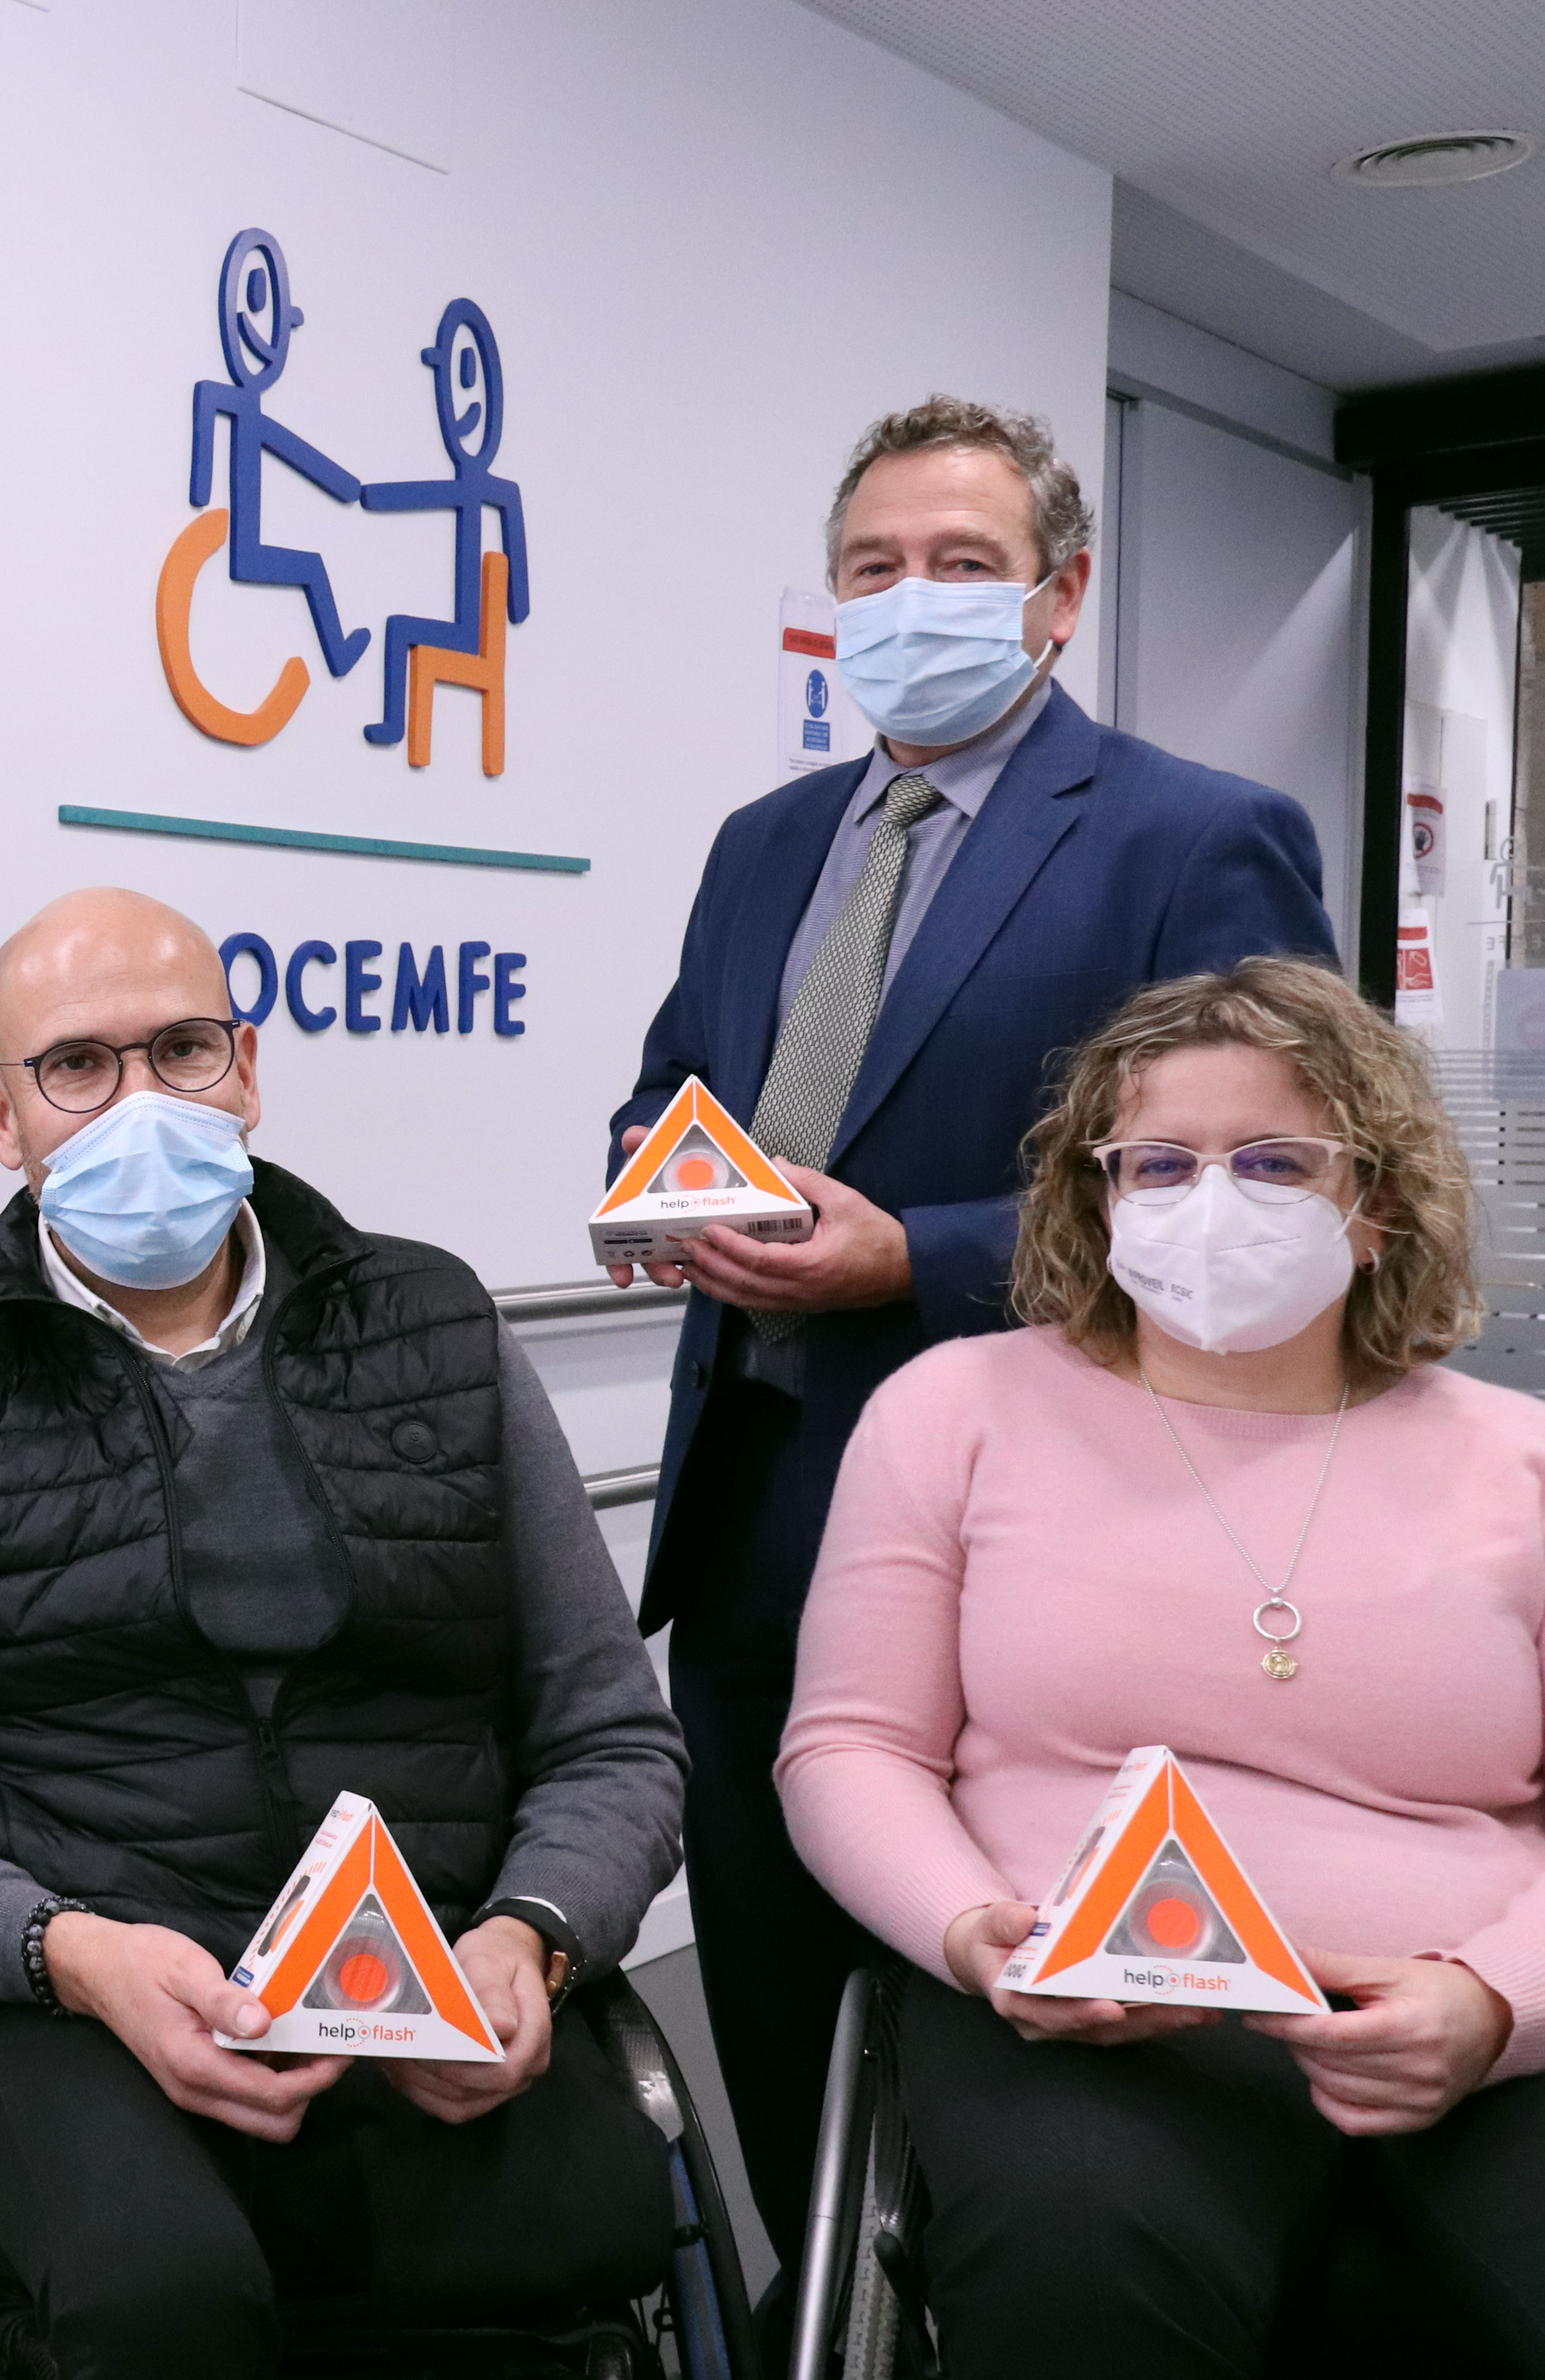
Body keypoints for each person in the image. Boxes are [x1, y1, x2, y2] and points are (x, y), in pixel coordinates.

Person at [0, 888, 687, 2379]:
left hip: (423, 1973)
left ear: (246, 1067)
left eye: (181, 1049)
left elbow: (612, 1735)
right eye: (77, 1065)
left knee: (580, 2233)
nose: (140, 1101)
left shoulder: (438, 1322)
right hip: (77, 1994)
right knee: (156, 2292)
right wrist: (67, 1951)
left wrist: (534, 1934)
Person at [607, 395, 1334, 2262]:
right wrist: (652, 1186)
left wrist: (918, 1259)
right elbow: (678, 1088)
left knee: (1023, 2037)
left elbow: (1270, 1184)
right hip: (754, 1511)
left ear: (1060, 595)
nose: (908, 597)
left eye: (960, 563)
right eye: (873, 568)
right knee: (777, 2004)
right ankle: (822, 2311)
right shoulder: (765, 843)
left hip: (1044, 1536)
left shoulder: (1196, 837)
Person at [781, 959, 1545, 2373]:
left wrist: (1496, 2002)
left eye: (1274, 1161)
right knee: (1083, 2269)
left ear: (1376, 1202)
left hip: (1469, 2024)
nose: (1212, 1199)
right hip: (1094, 2022)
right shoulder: (955, 1411)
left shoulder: (1520, 1462)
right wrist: (973, 1930)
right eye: (1162, 1163)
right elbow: (850, 1745)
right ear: (1100, 1196)